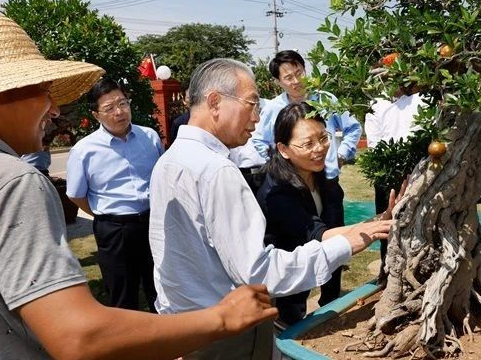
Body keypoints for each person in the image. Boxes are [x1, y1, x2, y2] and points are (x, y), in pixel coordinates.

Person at [0, 12, 277, 360]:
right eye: (43, 91)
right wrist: (221, 318)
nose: (53, 110)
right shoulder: (9, 180)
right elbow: (79, 337)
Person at [149, 58, 394, 359]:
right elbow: (260, 273)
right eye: (252, 104)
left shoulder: (169, 161)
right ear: (214, 102)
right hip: (227, 332)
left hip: (185, 325)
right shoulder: (217, 171)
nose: (256, 118)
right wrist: (346, 244)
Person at [256, 102, 401, 326]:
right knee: (286, 327)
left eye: (324, 138)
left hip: (307, 273)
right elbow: (319, 235)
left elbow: (333, 233)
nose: (319, 149)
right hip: (278, 287)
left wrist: (380, 219)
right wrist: (373, 228)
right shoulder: (275, 192)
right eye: (308, 144)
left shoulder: (325, 181)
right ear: (283, 149)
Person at [251, 49, 362, 305]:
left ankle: (330, 300)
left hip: (326, 182)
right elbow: (259, 141)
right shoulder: (274, 109)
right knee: (298, 244)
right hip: (293, 186)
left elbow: (353, 127)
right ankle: (294, 307)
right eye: (288, 77)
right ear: (278, 82)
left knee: (333, 245)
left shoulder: (326, 100)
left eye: (298, 73)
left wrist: (340, 155)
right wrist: (283, 163)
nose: (296, 81)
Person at [66, 78, 162, 312]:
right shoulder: (84, 150)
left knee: (161, 288)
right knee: (123, 295)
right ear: (96, 114)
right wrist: (105, 216)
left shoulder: (149, 137)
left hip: (153, 223)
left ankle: (167, 331)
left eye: (123, 103)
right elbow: (76, 195)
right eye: (109, 108)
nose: (119, 112)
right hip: (115, 231)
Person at [365, 87, 425, 281]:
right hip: (387, 175)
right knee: (387, 225)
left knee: (418, 225)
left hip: (417, 173)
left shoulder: (422, 99)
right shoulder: (376, 104)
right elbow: (374, 143)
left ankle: (417, 269)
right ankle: (387, 269)